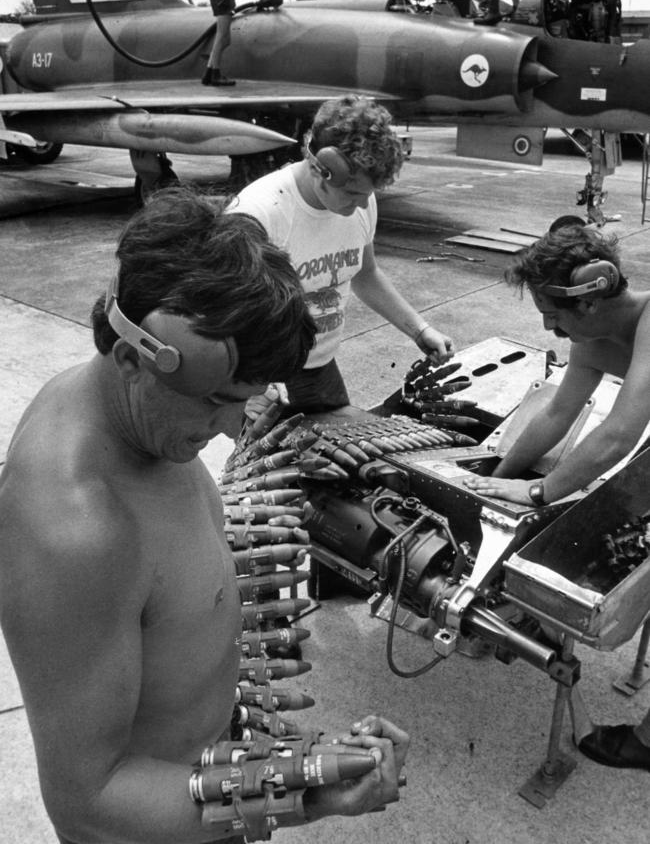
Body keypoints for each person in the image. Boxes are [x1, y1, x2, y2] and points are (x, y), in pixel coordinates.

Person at [0, 187, 409, 843]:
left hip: (210, 776)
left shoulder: (130, 410)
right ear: (134, 358)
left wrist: (264, 761)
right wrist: (297, 790)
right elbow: (91, 802)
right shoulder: (75, 530)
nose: (233, 427)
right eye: (218, 401)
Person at [464, 219, 650, 772]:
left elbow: (619, 432)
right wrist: (497, 472)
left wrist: (539, 492)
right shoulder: (593, 340)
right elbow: (558, 411)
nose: (546, 326)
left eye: (552, 311)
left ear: (588, 301)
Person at [227, 95, 454, 415]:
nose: (362, 205)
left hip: (318, 365)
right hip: (260, 376)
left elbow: (365, 273)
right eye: (353, 194)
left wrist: (419, 329)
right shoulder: (261, 213)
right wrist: (257, 386)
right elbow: (224, 317)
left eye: (368, 195)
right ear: (322, 168)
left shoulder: (360, 203)